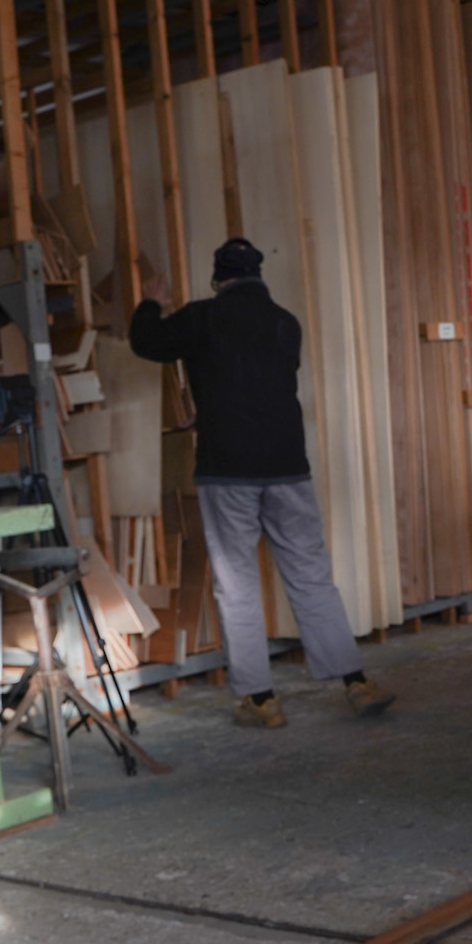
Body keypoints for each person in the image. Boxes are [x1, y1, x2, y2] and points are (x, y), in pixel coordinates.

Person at [129, 237, 394, 728]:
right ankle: (355, 682)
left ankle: (260, 701)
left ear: (218, 279)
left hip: (228, 470)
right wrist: (209, 410)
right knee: (312, 576)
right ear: (258, 277)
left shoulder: (202, 316)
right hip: (287, 465)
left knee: (237, 584)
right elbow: (257, 384)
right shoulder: (285, 323)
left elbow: (148, 343)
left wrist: (153, 302)